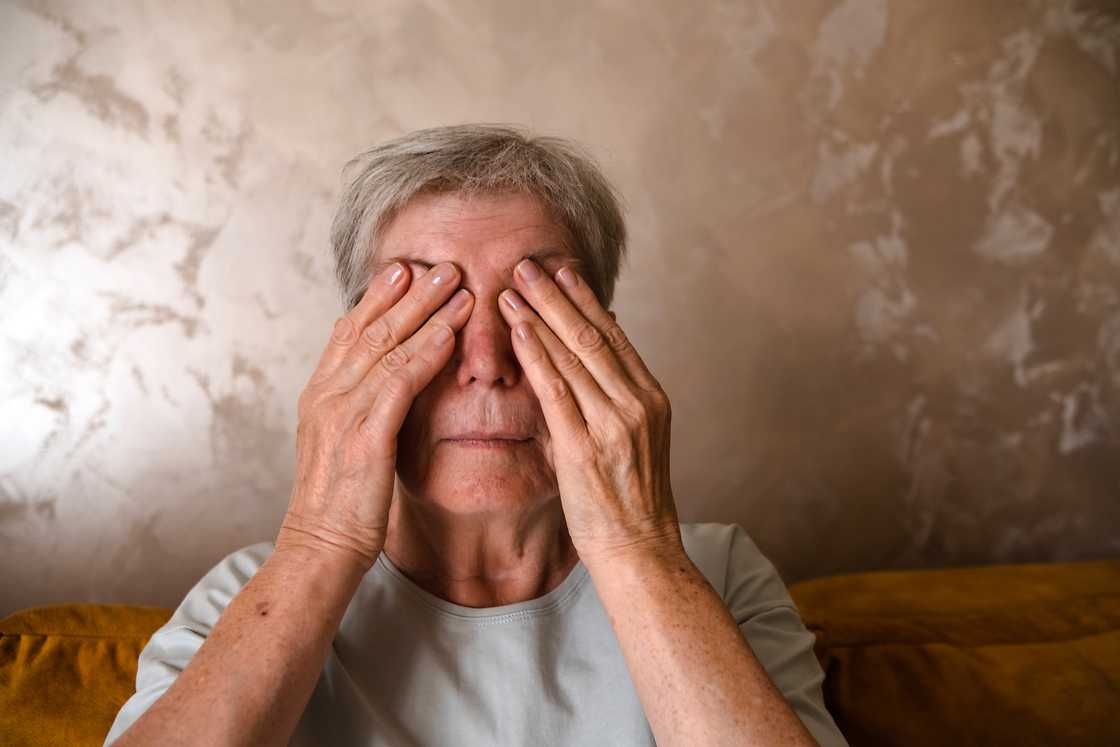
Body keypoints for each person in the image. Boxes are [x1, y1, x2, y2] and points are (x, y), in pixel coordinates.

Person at [104, 123, 848, 746]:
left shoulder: (718, 572)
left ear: (601, 342)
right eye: (435, 313)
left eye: (536, 305)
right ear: (357, 353)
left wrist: (636, 548)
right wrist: (321, 541)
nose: (486, 363)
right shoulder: (249, 593)